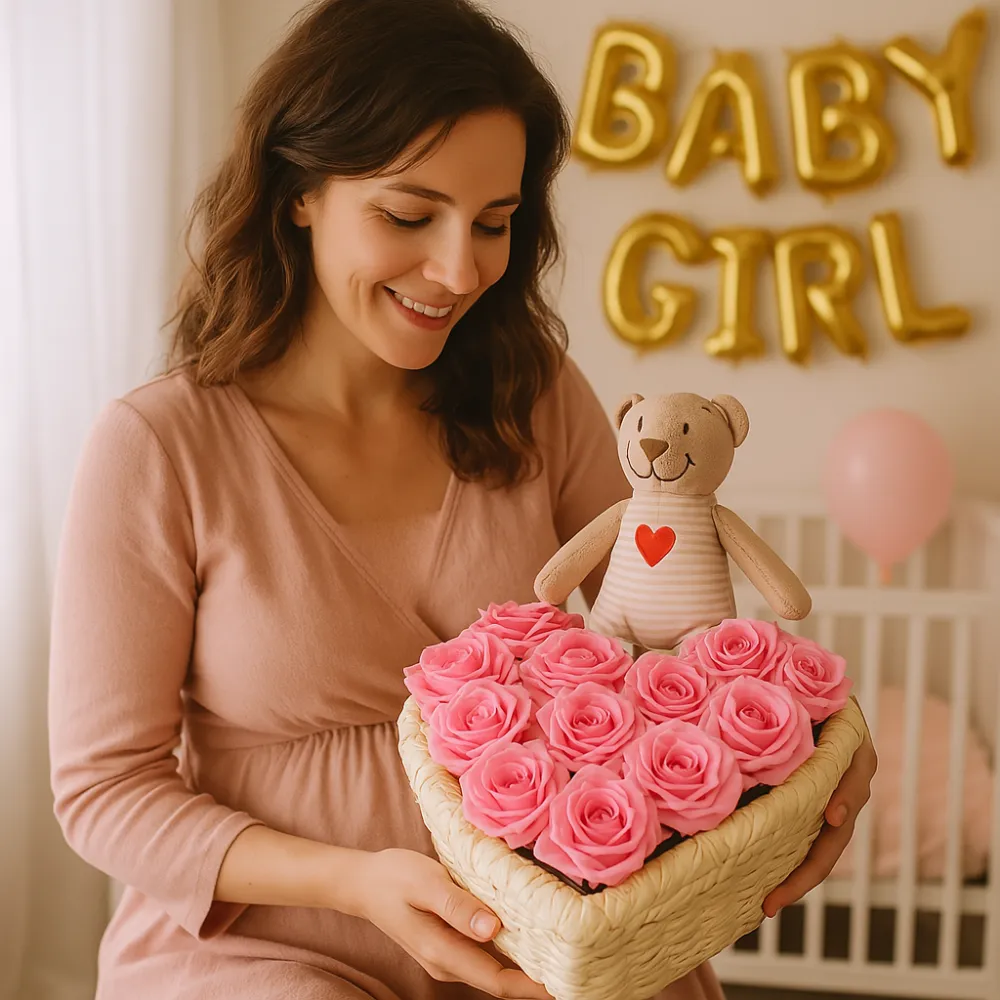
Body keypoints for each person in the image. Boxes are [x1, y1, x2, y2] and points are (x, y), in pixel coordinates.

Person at [48, 1, 877, 997]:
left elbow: (678, 639)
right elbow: (104, 790)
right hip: (262, 948)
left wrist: (829, 752)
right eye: (408, 215)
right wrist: (353, 883)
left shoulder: (535, 397)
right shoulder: (158, 448)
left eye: (494, 223)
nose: (457, 270)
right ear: (298, 191)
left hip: (534, 938)